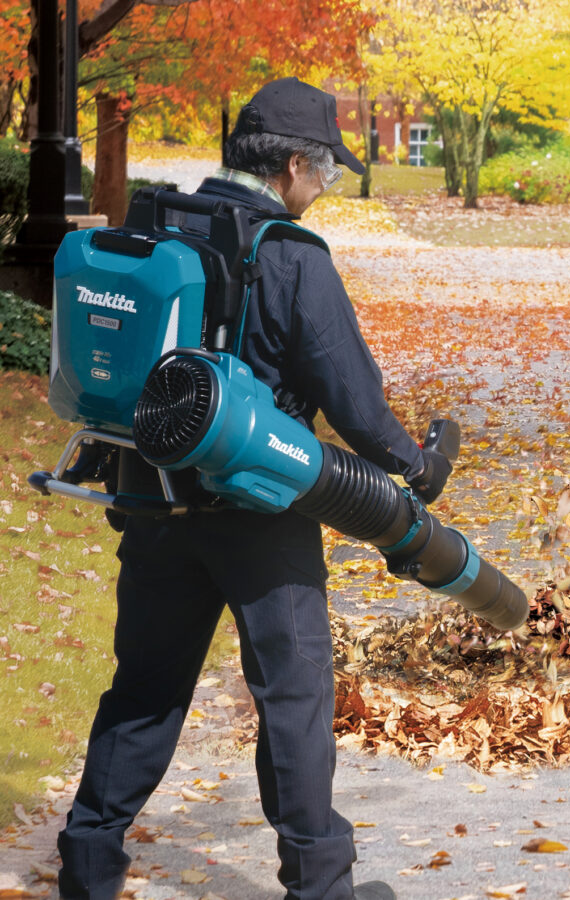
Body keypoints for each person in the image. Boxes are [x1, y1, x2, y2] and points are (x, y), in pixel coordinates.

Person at [56, 77, 452, 900]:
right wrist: (417, 466)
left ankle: (88, 859)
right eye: (326, 173)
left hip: (155, 496)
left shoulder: (154, 221)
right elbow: (352, 396)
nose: (326, 188)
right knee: (294, 695)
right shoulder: (293, 256)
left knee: (146, 685)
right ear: (294, 167)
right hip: (261, 508)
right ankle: (319, 884)